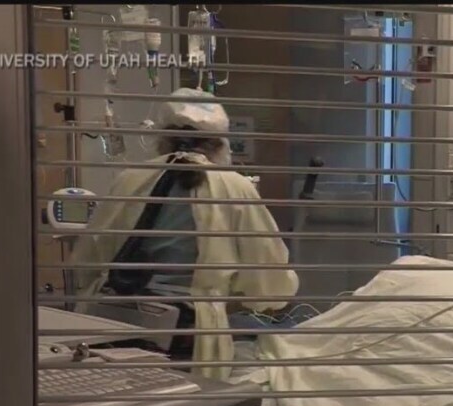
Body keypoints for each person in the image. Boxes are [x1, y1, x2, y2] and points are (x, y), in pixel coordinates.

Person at [71, 87, 299, 381]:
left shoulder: (128, 180)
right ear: (220, 144)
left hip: (116, 329)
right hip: (188, 338)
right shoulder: (232, 187)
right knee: (184, 403)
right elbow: (271, 283)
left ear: (162, 138)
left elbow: (86, 261)